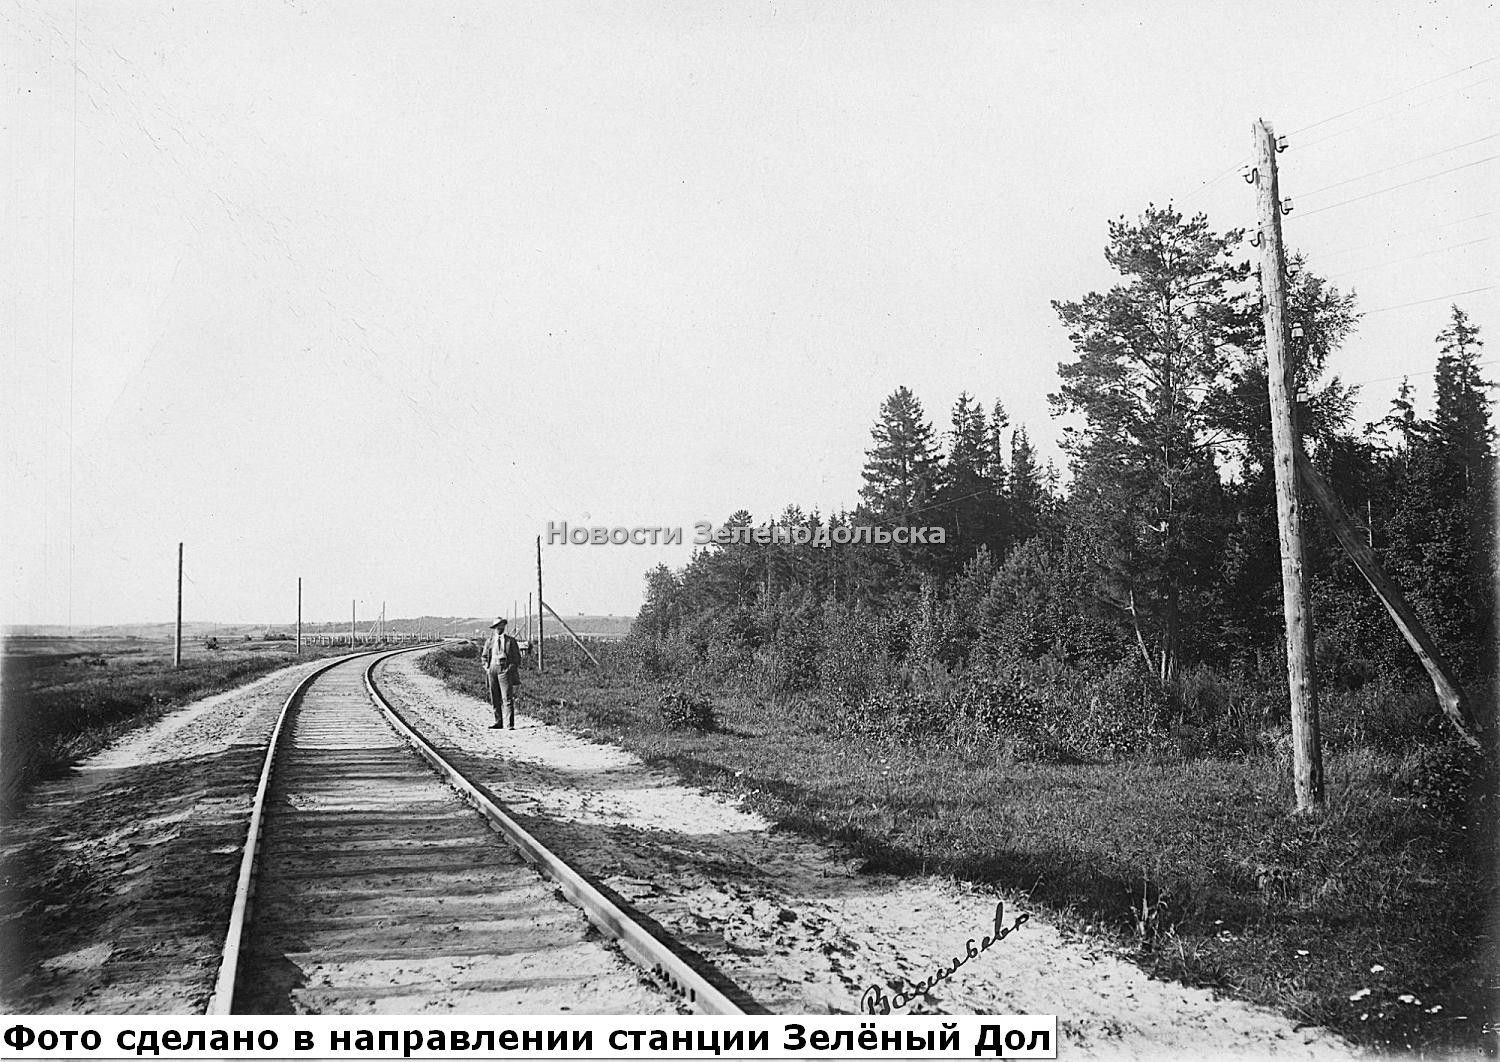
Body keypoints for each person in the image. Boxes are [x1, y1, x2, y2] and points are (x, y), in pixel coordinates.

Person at [480, 617, 522, 729]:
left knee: (507, 697)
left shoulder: (510, 641)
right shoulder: (489, 641)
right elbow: (484, 657)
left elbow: (517, 658)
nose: (500, 627)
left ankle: (509, 724)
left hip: (505, 669)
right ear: (494, 628)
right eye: (497, 626)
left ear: (504, 626)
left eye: (502, 625)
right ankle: (498, 722)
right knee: (495, 696)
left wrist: (509, 669)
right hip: (492, 669)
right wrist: (487, 667)